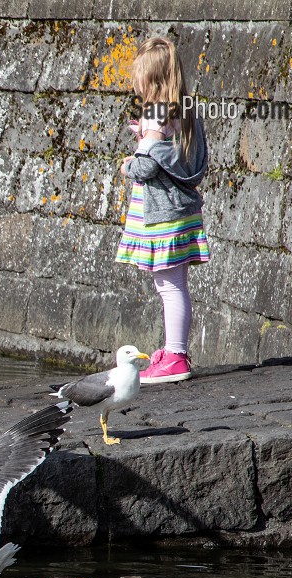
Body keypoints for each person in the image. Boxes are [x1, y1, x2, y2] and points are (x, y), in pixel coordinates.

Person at [116, 36, 209, 384]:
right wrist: (147, 139)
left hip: (162, 216)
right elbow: (177, 154)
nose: (134, 83)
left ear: (151, 79)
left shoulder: (155, 111)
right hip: (183, 210)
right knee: (177, 284)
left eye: (138, 76)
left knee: (168, 286)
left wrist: (129, 162)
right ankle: (175, 352)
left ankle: (175, 357)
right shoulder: (185, 108)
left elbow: (145, 167)